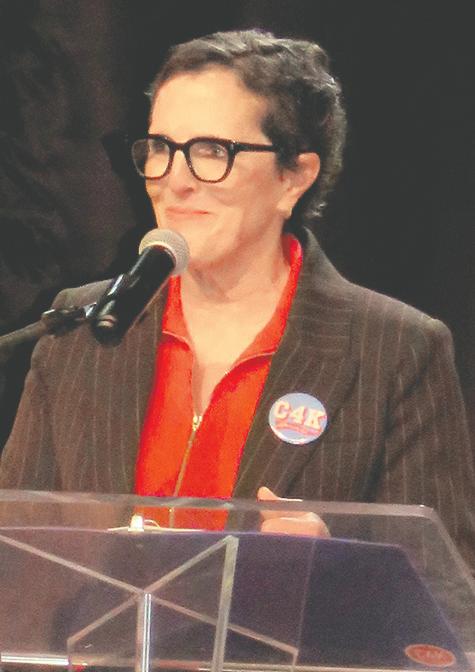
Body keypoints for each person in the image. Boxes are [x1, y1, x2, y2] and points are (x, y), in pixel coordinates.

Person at [0, 30, 474, 569]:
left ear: (294, 177)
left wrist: (336, 569)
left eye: (211, 151)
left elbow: (445, 588)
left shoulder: (395, 350)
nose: (175, 180)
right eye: (161, 148)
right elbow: (12, 560)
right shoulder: (79, 332)